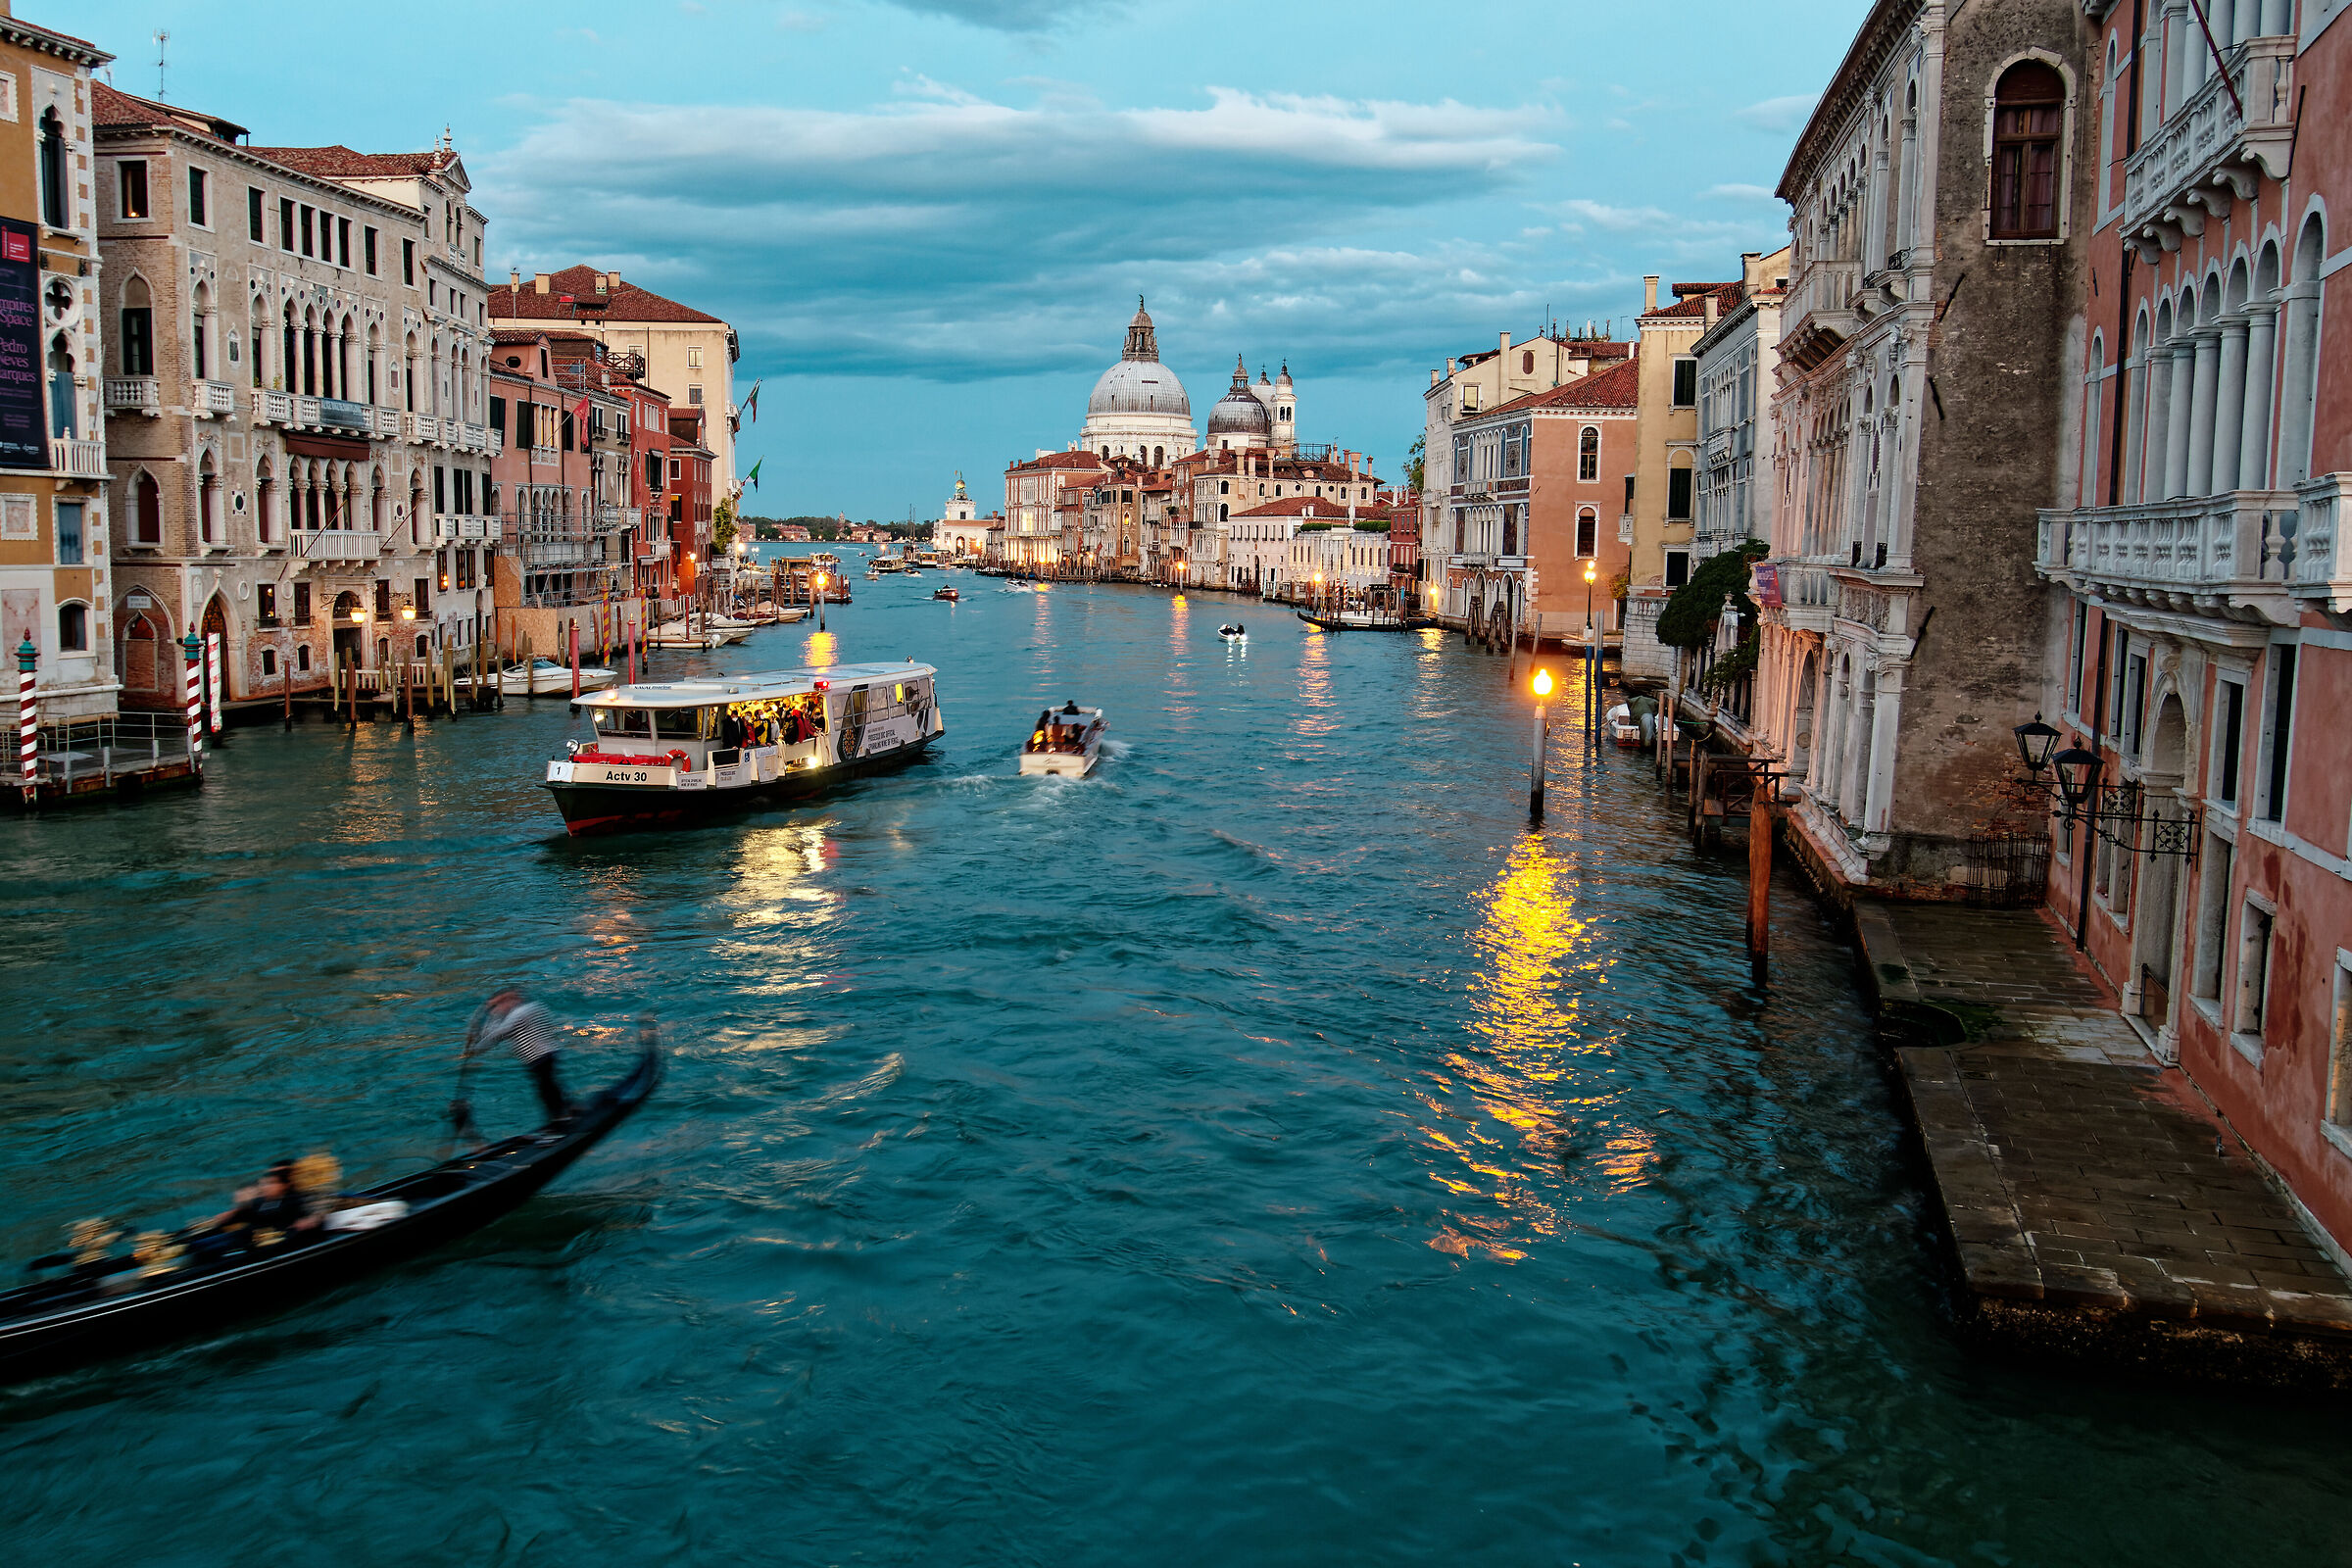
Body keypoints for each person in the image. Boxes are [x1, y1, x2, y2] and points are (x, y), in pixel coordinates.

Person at [471, 990, 574, 1124]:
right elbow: (493, 1033)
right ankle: (569, 1108)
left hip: (539, 1056)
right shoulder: (534, 1007)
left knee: (546, 1089)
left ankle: (560, 1117)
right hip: (547, 1053)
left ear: (512, 1000)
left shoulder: (520, 1013)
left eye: (500, 1004)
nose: (499, 1008)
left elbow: (496, 1035)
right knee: (551, 1085)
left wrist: (476, 1049)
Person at [204, 1161, 320, 1244]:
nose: (264, 1187)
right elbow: (247, 1213)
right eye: (266, 1183)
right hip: (246, 1235)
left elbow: (315, 1211)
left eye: (271, 1183)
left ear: (286, 1184)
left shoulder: (295, 1200)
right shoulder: (260, 1201)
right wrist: (233, 1213)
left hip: (266, 1240)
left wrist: (312, 1219)